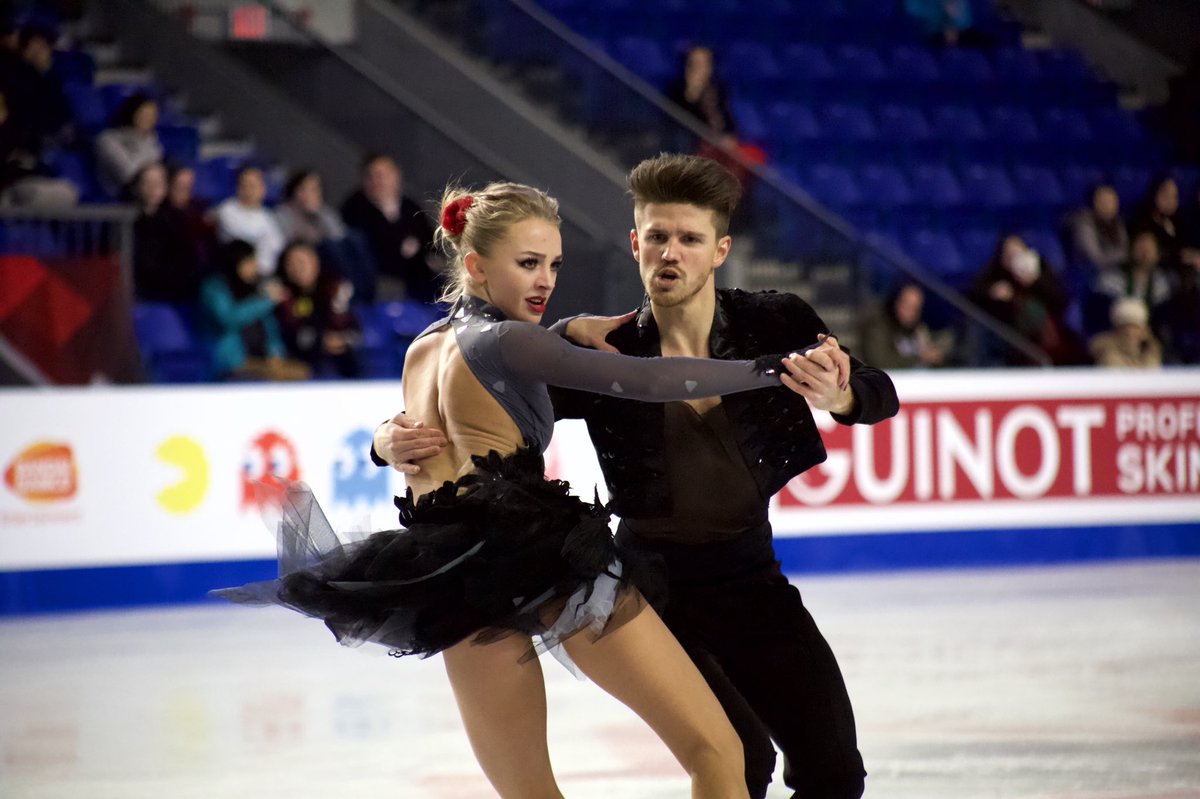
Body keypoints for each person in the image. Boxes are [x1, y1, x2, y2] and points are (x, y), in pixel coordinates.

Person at [212, 180, 810, 798]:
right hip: (539, 554)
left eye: (552, 264)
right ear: (474, 264)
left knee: (529, 793)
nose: (544, 281)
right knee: (718, 750)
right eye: (527, 264)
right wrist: (769, 370)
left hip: (453, 578)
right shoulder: (511, 341)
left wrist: (378, 443)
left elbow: (419, 440)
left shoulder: (422, 349)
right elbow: (644, 379)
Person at [373, 154, 900, 799]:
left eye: (689, 238)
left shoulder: (774, 320)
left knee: (834, 774)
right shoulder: (607, 350)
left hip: (750, 583)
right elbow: (499, 382)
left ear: (720, 250)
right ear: (635, 243)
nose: (671, 252)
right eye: (657, 236)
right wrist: (385, 441)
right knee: (737, 762)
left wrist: (839, 396)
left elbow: (877, 391)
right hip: (653, 585)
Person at [968, 233, 1085, 365]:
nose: (1013, 257)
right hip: (1013, 337)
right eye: (1008, 253)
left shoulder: (1041, 271)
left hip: (1049, 333)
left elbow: (1060, 301)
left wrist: (1035, 282)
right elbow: (973, 297)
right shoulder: (995, 274)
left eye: (1017, 251)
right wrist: (993, 294)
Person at [199, 238, 307, 381]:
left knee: (302, 372)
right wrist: (266, 301)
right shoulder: (214, 289)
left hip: (261, 361)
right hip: (230, 362)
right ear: (236, 263)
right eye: (249, 262)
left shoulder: (255, 289)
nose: (255, 267)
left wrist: (275, 353)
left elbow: (270, 328)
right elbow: (229, 319)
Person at [340, 153, 440, 303]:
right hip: (381, 275)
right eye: (372, 176)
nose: (378, 182)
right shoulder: (354, 207)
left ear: (396, 176)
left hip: (418, 273)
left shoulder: (410, 206)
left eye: (383, 175)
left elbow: (428, 238)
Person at [273, 240, 361, 379]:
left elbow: (355, 331)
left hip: (343, 365)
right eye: (291, 264)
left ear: (315, 262)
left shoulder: (334, 289)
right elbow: (289, 334)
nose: (297, 268)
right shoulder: (283, 298)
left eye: (302, 262)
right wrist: (322, 341)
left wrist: (342, 339)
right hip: (300, 366)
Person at [131, 161, 203, 304]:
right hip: (138, 290)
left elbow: (187, 261)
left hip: (172, 291)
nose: (152, 189)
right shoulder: (123, 220)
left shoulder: (177, 220)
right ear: (137, 187)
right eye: (147, 183)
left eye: (157, 184)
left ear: (166, 187)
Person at [859, 280, 951, 369]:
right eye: (906, 305)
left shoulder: (919, 329)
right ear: (895, 302)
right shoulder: (877, 326)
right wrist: (920, 358)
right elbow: (880, 363)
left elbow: (933, 358)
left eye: (915, 308)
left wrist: (935, 356)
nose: (910, 312)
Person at [214, 165, 285, 277]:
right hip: (237, 274)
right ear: (237, 188)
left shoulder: (268, 216)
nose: (248, 190)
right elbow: (243, 244)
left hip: (268, 275)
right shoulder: (227, 210)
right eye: (244, 185)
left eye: (253, 185)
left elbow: (277, 247)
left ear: (263, 189)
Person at [94, 93, 163, 199]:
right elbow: (129, 174)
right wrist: (142, 141)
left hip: (149, 197)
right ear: (132, 113)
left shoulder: (150, 140)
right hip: (119, 196)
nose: (149, 120)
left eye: (152, 116)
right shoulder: (108, 140)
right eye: (144, 114)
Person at [274, 168, 346, 247]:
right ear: (294, 192)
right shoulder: (283, 214)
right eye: (304, 189)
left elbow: (338, 238)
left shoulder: (325, 213)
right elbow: (284, 244)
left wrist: (318, 215)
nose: (310, 195)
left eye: (315, 189)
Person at [1069, 183, 1129, 275]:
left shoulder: (1118, 223)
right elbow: (1095, 259)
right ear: (1093, 202)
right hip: (1090, 274)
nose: (1109, 205)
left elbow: (1125, 248)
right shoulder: (1084, 223)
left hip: (1117, 273)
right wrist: (1123, 256)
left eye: (1112, 201)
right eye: (1104, 201)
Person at [1088, 296, 1161, 368]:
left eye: (1135, 327)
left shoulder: (1150, 352)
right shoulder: (1107, 352)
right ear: (1116, 329)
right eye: (1125, 327)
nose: (1130, 332)